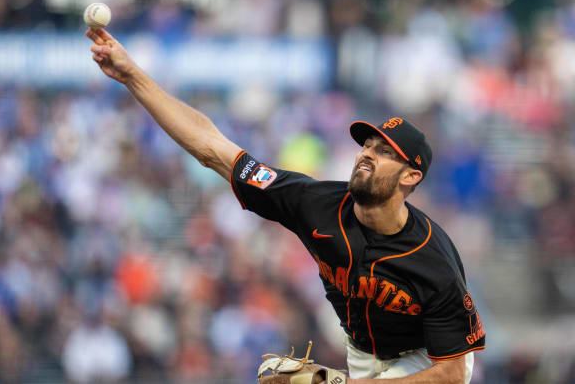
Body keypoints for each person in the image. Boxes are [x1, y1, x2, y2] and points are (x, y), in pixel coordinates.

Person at [86, 28, 485, 384]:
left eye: (385, 152)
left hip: (425, 364)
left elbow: (450, 372)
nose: (366, 154)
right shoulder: (313, 203)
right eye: (366, 144)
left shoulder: (433, 261)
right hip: (362, 355)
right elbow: (214, 150)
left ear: (410, 177)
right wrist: (132, 76)